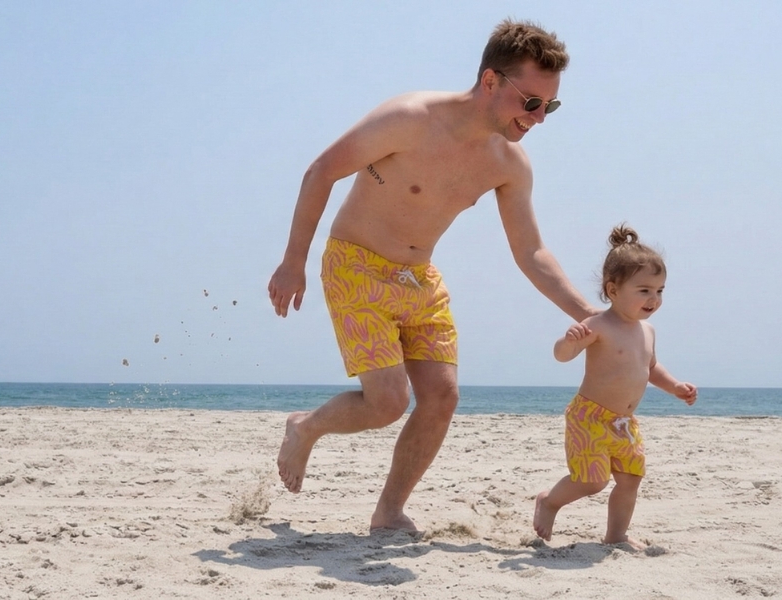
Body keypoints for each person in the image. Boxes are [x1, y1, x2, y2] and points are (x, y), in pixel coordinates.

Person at [267, 19, 598, 533]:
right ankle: (305, 428)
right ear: (490, 81)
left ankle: (389, 513)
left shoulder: (510, 164)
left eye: (548, 106)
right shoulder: (409, 118)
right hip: (355, 264)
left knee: (442, 395)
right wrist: (294, 261)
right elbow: (321, 171)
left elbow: (531, 251)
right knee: (387, 403)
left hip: (419, 278)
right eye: (530, 102)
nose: (539, 118)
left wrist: (591, 315)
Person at [531, 224, 698, 548]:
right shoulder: (598, 325)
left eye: (660, 290)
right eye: (644, 290)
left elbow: (649, 368)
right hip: (589, 418)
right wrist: (568, 342)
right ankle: (549, 501)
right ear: (613, 290)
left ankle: (616, 535)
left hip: (625, 423)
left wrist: (675, 386)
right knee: (591, 482)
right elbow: (561, 356)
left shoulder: (647, 331)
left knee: (630, 479)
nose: (654, 298)